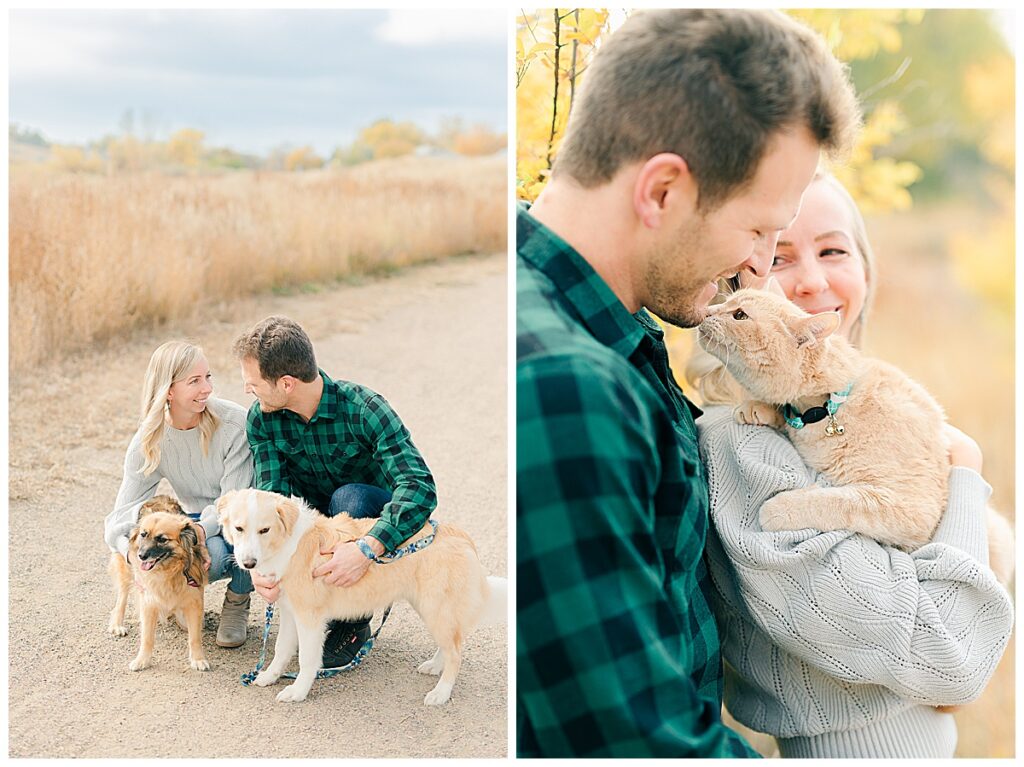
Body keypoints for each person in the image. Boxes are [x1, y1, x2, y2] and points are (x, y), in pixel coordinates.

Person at [516, 9, 860, 758]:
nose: (763, 267)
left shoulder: (614, 324)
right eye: (761, 230)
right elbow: (641, 743)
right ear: (663, 191)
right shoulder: (562, 384)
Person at [689, 172, 1015, 758]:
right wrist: (966, 472)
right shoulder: (738, 443)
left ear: (865, 266)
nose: (813, 281)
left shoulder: (862, 407)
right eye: (780, 257)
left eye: (834, 250)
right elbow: (955, 657)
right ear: (737, 274)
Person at [232, 315, 437, 668]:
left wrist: (366, 548)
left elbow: (419, 486)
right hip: (313, 523)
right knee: (311, 517)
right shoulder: (261, 419)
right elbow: (272, 497)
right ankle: (317, 602)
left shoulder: (365, 408)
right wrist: (263, 564)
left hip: (368, 519)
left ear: (286, 383)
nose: (248, 391)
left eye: (253, 384)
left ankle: (352, 621)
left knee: (349, 499)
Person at [104, 341, 255, 648]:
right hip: (193, 519)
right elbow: (119, 516)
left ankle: (238, 600)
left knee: (224, 549)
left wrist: (200, 531)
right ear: (168, 391)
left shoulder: (234, 424)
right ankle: (180, 598)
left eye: (208, 377)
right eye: (195, 381)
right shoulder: (150, 438)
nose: (208, 388)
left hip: (238, 516)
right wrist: (133, 554)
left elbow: (233, 501)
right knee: (183, 551)